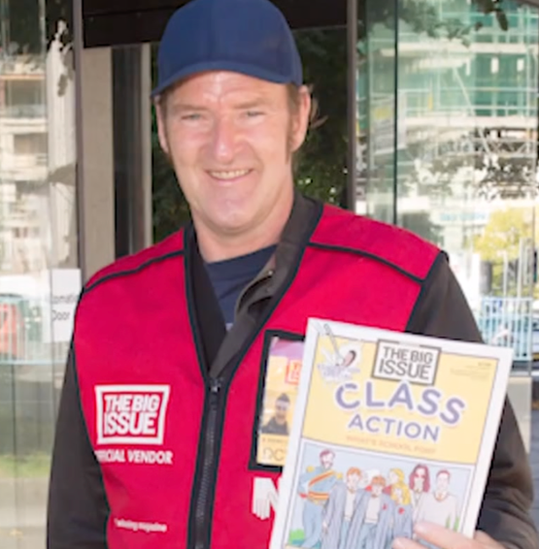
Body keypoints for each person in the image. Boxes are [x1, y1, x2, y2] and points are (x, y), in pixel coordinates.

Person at [44, 0, 538, 547]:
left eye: (250, 111)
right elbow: (77, 526)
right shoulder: (109, 308)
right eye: (193, 116)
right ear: (161, 128)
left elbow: (498, 497)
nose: (223, 145)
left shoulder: (404, 285)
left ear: (299, 116)